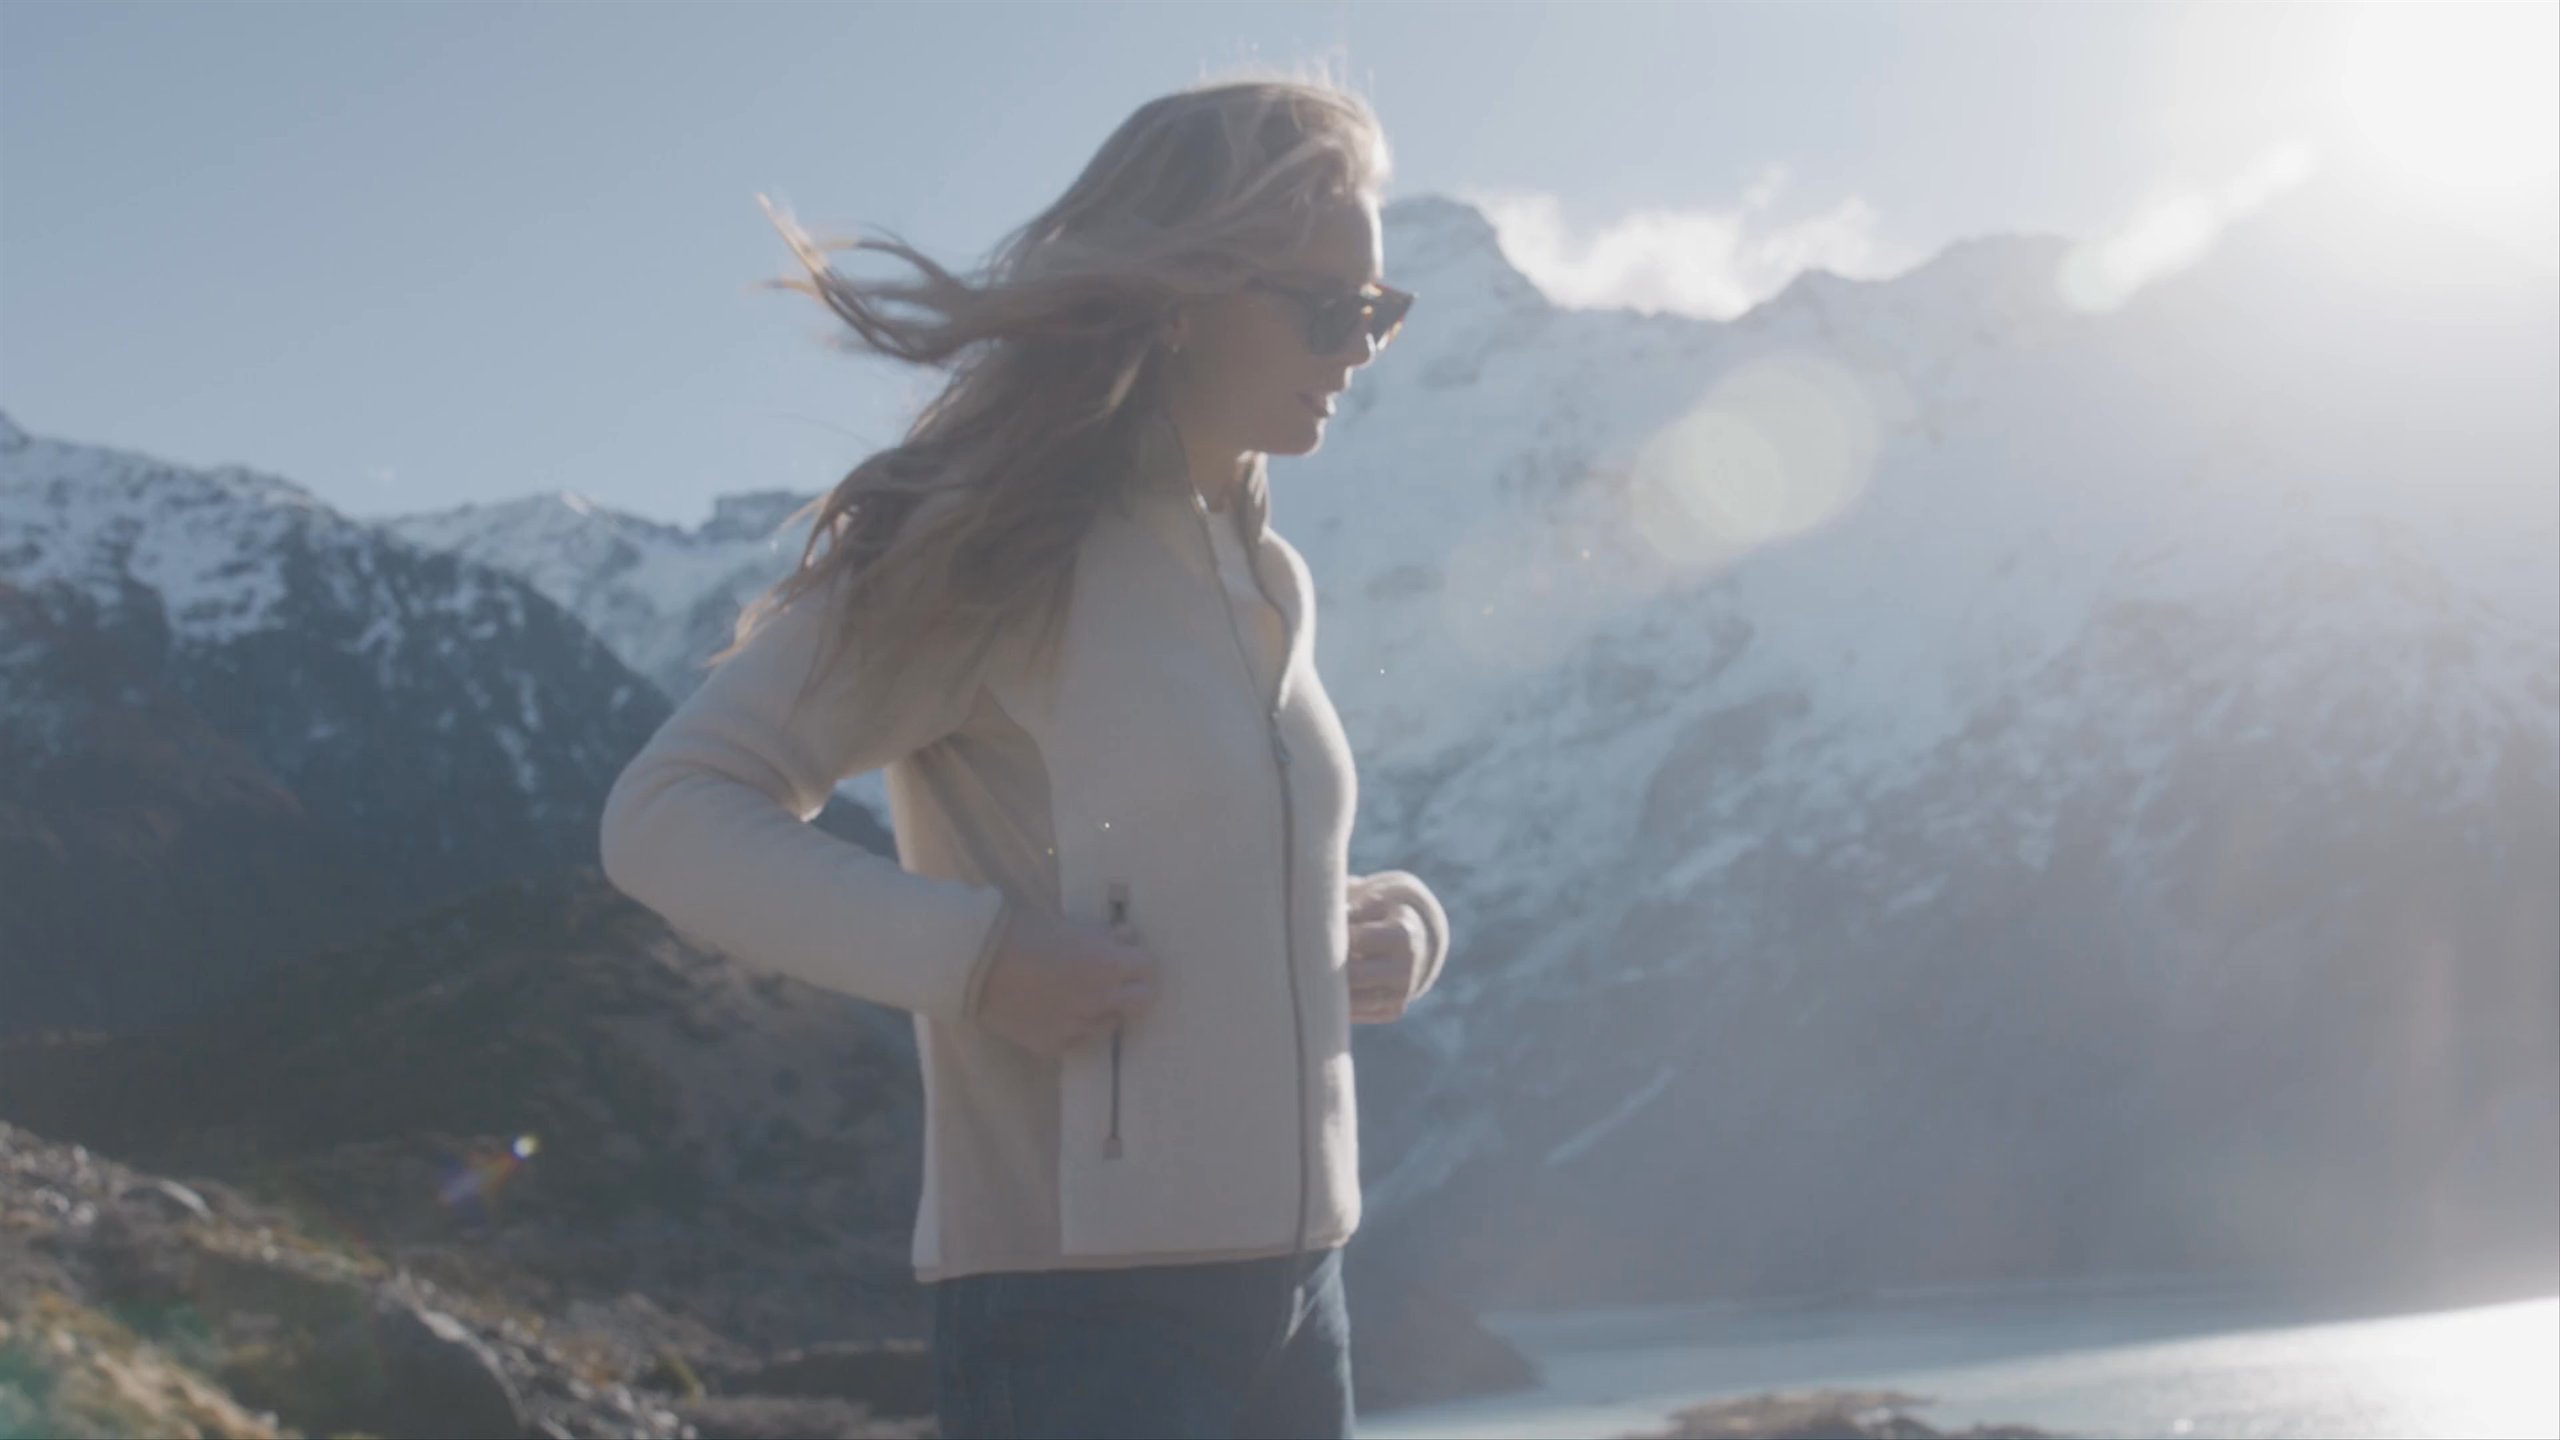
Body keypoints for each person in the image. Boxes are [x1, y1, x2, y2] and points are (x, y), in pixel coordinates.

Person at [596, 70, 1453, 1440]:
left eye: (1381, 311)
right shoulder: (986, 546)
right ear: (1179, 297)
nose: (1359, 346)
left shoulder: (1266, 574)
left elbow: (1198, 849)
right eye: (1327, 306)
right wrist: (980, 962)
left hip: (1303, 1295)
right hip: (1081, 1320)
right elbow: (667, 814)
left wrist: (1395, 921)